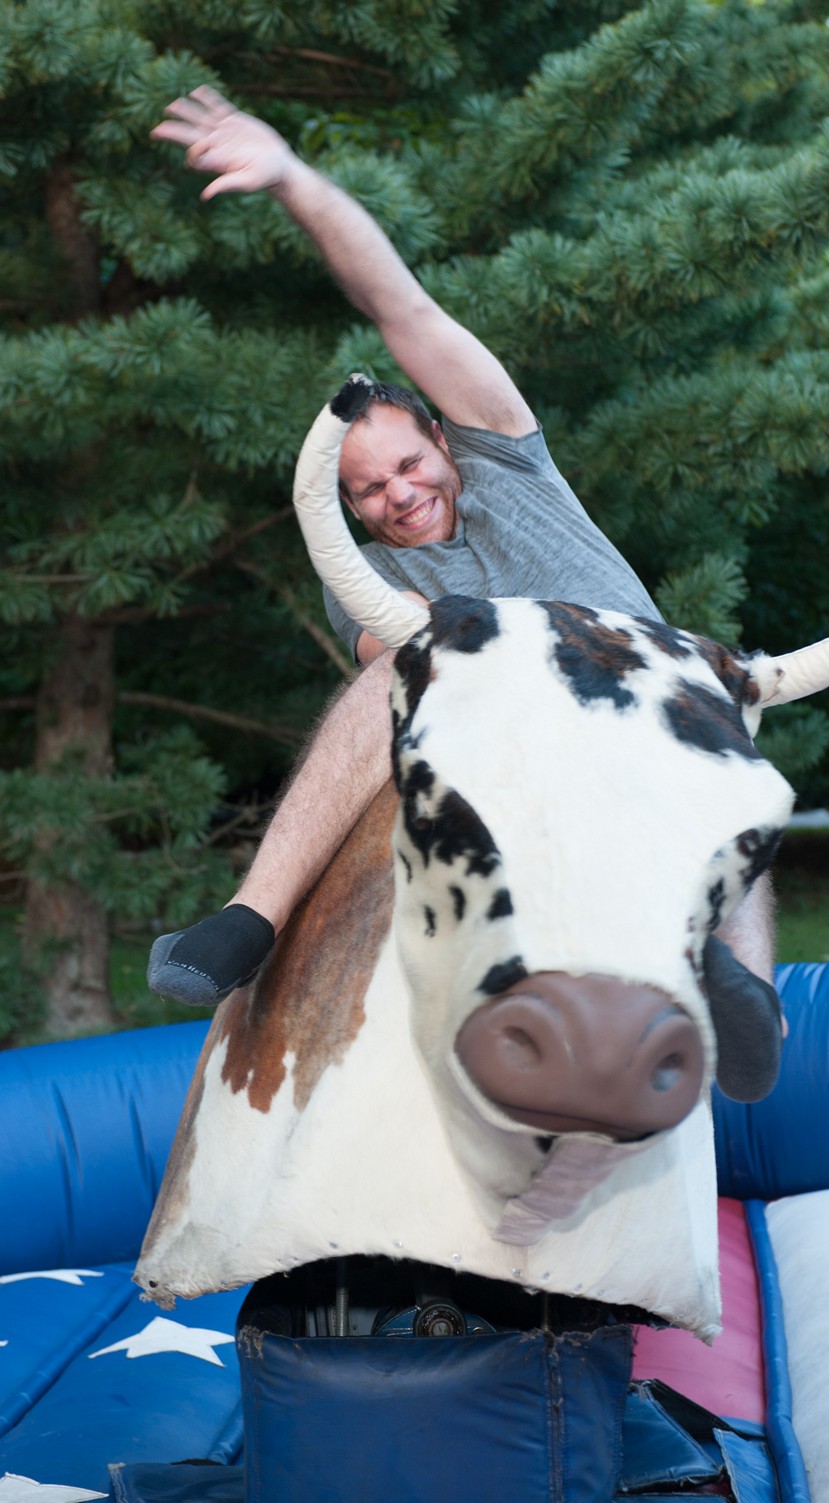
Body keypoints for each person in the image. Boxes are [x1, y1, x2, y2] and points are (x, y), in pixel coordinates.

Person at [147, 89, 781, 1101]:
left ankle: (746, 994)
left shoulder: (508, 456)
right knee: (384, 680)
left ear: (444, 438)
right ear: (347, 507)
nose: (398, 495)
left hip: (634, 689)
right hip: (500, 734)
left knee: (719, 730)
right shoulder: (367, 573)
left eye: (408, 464)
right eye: (368, 491)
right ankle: (250, 919)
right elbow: (398, 660)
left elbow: (399, 305)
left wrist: (296, 180)